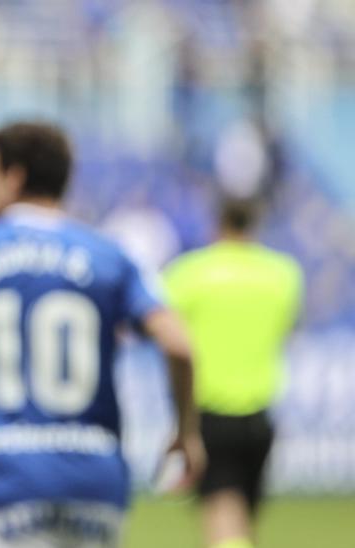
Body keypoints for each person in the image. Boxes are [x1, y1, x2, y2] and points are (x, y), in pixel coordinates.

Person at [0, 121, 206, 548]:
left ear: (14, 176)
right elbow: (179, 345)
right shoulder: (109, 255)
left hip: (0, 478)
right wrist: (185, 432)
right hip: (93, 480)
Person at [162, 199, 302, 548]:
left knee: (223, 524)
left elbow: (169, 336)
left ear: (217, 224)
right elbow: (286, 328)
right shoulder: (283, 274)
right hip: (260, 418)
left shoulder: (188, 273)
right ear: (254, 225)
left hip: (211, 414)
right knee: (243, 525)